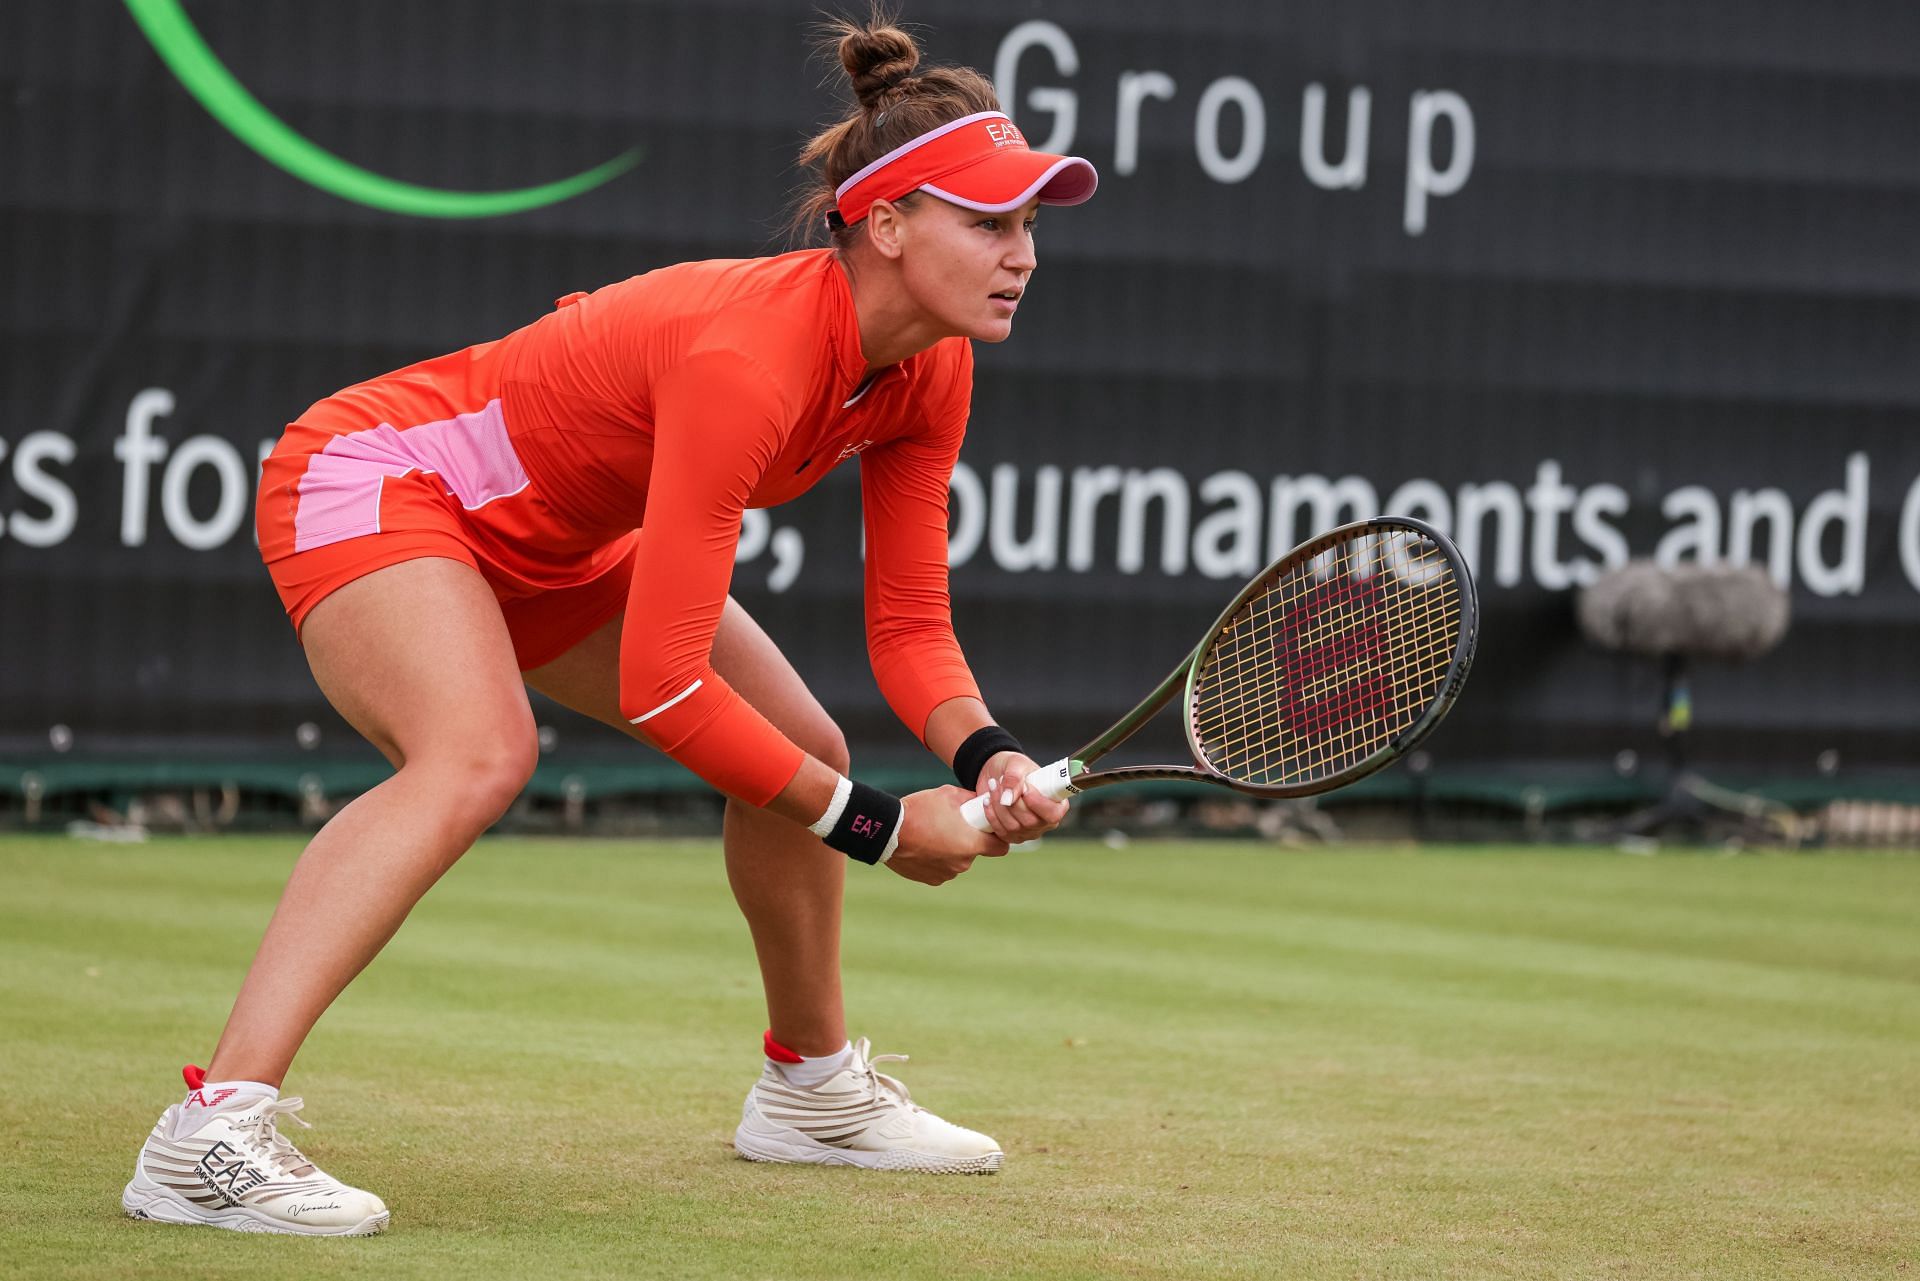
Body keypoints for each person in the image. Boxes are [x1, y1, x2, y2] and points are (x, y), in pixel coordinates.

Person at [120, 10, 1098, 1237]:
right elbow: (666, 685)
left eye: (1031, 225)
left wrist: (985, 756)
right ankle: (206, 1134)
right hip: (379, 478)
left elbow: (908, 625)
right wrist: (881, 831)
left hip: (556, 547)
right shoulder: (750, 357)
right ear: (887, 225)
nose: (1024, 254)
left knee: (806, 744)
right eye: (990, 221)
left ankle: (808, 1093)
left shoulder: (933, 366)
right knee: (480, 754)